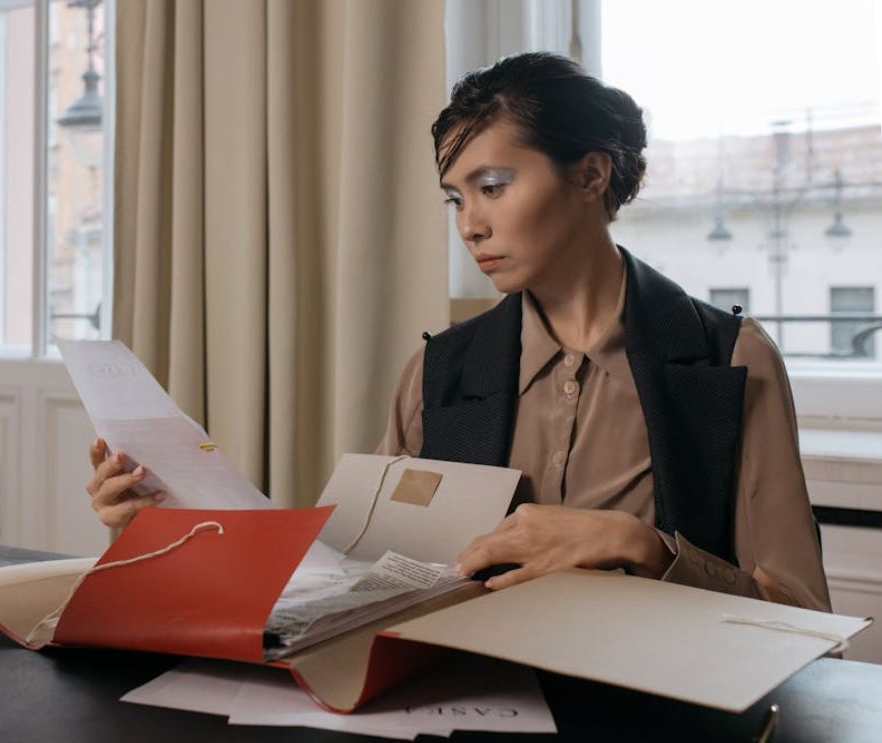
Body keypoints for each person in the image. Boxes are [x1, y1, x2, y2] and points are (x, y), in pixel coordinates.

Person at [86, 52, 830, 612]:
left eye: (493, 186)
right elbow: (351, 579)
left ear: (590, 175)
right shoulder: (435, 372)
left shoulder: (729, 361)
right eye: (455, 198)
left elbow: (799, 613)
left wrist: (641, 546)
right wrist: (172, 523)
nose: (470, 225)